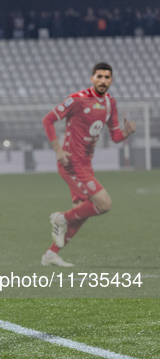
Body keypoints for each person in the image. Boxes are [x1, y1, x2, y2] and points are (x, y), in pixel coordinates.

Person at [41, 62, 136, 267]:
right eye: (99, 76)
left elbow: (116, 135)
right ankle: (60, 218)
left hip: (86, 163)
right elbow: (48, 120)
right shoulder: (77, 99)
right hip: (71, 163)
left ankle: (51, 254)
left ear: (111, 80)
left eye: (107, 77)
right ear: (92, 78)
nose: (103, 81)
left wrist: (126, 132)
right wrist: (58, 150)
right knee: (104, 204)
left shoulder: (110, 103)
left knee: (82, 212)